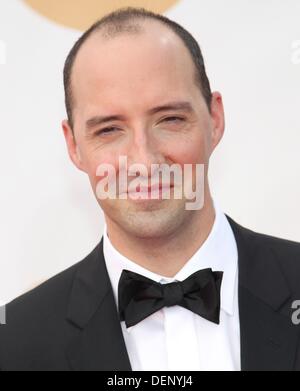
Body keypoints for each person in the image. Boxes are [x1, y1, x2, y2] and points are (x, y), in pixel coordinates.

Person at [0, 7, 299, 371]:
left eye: (170, 119)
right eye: (109, 129)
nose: (143, 161)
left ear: (215, 119)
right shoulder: (14, 344)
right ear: (74, 145)